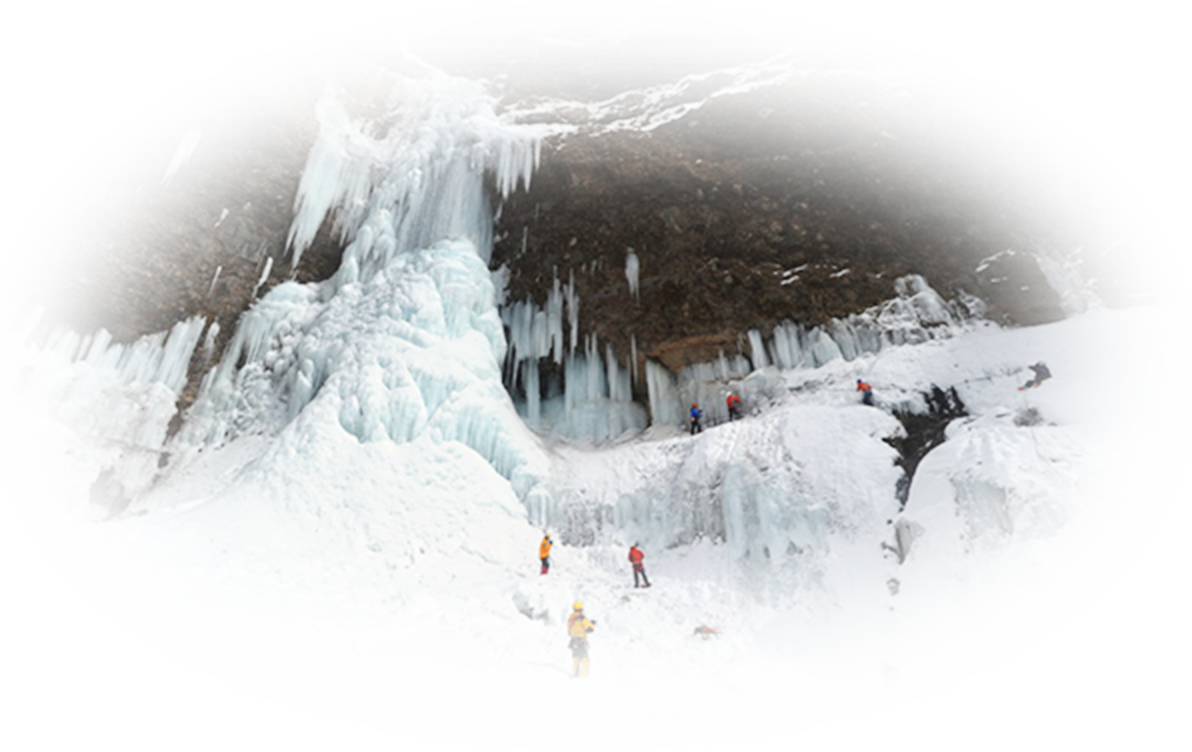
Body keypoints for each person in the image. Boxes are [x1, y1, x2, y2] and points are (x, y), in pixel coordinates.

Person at [568, 601, 596, 678]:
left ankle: (574, 676)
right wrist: (592, 624)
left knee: (576, 659)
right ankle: (584, 677)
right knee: (585, 660)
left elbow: (569, 631)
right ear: (581, 609)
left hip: (573, 641)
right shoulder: (582, 618)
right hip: (581, 641)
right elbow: (590, 629)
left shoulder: (570, 618)